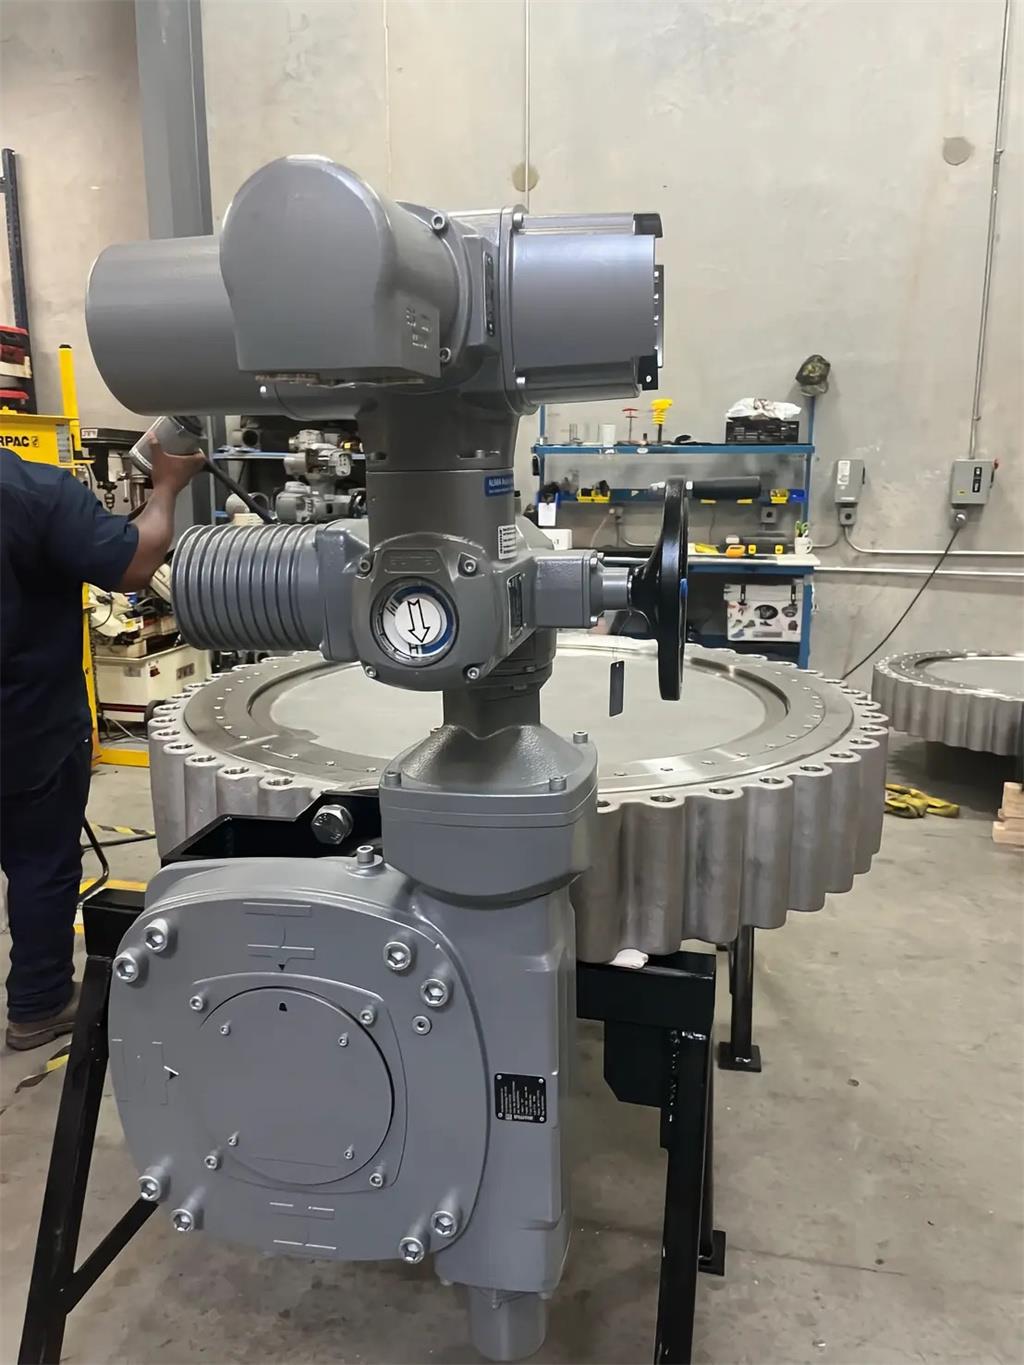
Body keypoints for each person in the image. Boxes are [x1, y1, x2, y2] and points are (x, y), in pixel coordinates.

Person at [1, 438, 206, 1050]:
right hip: (25, 728)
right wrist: (166, 486)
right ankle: (39, 1003)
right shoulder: (33, 491)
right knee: (40, 863)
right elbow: (136, 563)